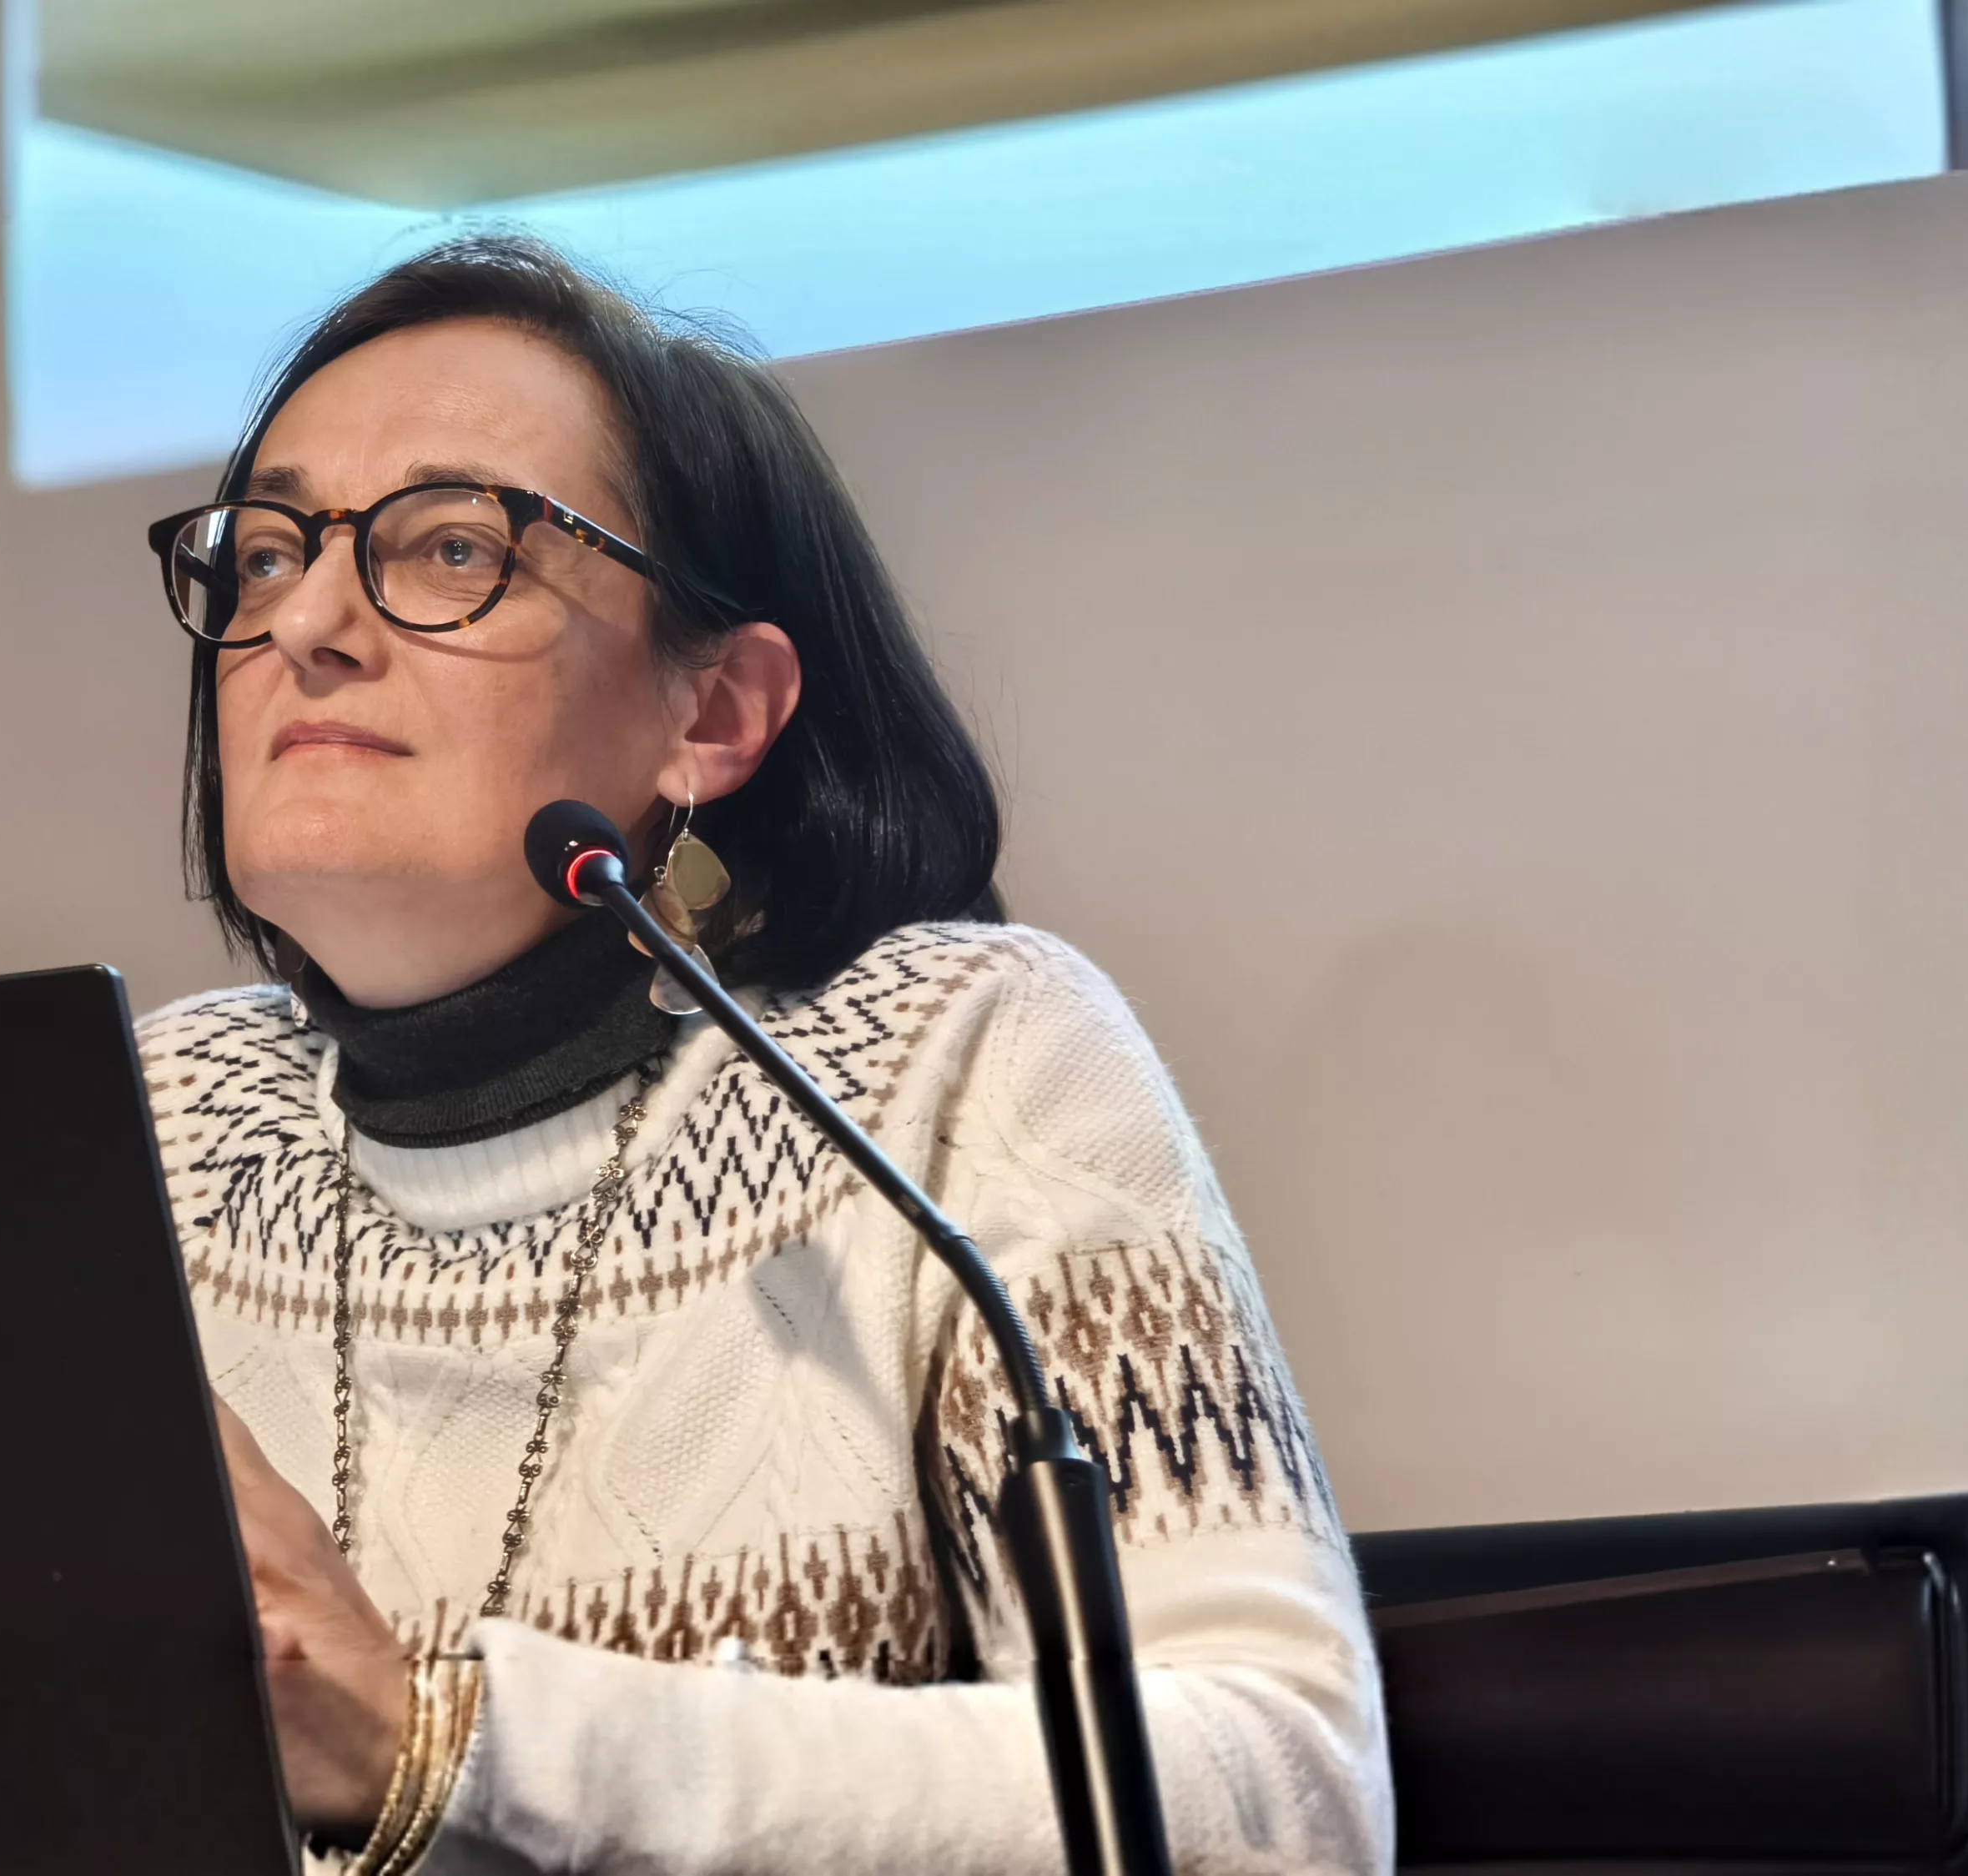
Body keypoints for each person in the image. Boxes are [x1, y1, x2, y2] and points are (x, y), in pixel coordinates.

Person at [134, 234, 1388, 1874]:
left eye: (449, 549)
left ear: (708, 715)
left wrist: (452, 1743)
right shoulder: (144, 1127)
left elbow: (1278, 1797)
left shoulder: (957, 1066)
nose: (303, 619)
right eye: (268, 549)